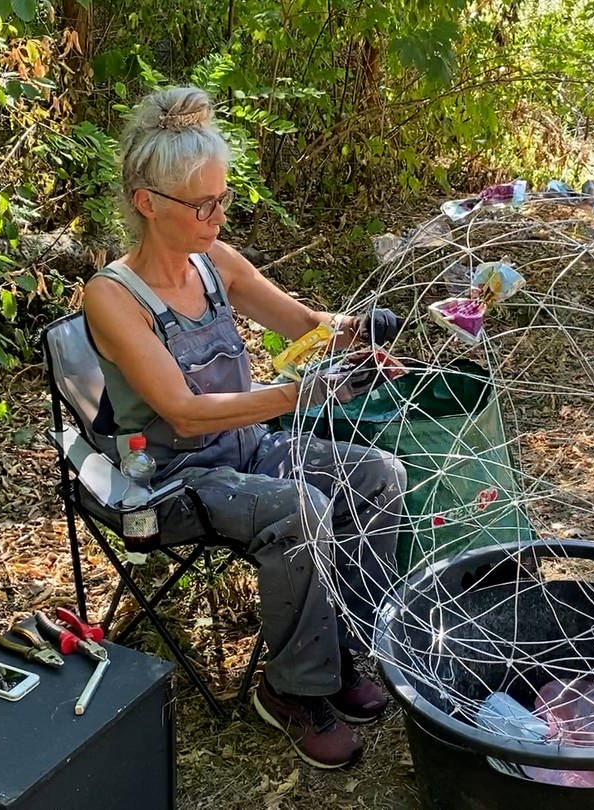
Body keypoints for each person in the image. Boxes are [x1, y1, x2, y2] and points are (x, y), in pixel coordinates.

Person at [82, 84, 407, 770]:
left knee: (379, 475)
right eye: (202, 204)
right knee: (301, 508)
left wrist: (360, 331)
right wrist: (297, 394)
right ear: (147, 203)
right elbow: (184, 412)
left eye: (223, 198)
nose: (217, 215)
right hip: (170, 481)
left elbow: (303, 326)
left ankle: (345, 650)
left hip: (248, 451)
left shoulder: (215, 262)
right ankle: (292, 690)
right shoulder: (113, 297)